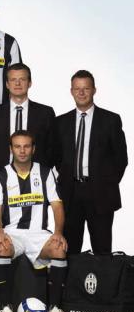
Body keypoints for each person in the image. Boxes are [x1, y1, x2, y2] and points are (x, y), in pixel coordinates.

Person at [0, 131, 68, 312]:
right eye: (17, 146)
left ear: (33, 149)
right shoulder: (0, 175)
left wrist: (58, 233)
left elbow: (57, 206)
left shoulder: (45, 172)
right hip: (12, 233)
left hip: (38, 233)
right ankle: (5, 308)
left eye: (26, 146)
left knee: (59, 249)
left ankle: (55, 309)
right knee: (1, 248)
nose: (22, 151)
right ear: (11, 149)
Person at [54, 70, 128, 254]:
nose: (81, 93)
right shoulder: (60, 122)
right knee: (69, 249)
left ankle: (103, 275)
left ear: (94, 90)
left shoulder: (111, 120)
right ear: (71, 91)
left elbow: (121, 158)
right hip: (70, 193)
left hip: (101, 193)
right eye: (77, 89)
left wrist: (106, 183)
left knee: (102, 249)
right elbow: (56, 157)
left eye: (86, 88)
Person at [0, 63, 56, 170]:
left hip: (37, 175)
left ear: (29, 83)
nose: (17, 83)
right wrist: (0, 171)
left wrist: (41, 172)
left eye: (22, 79)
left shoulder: (45, 113)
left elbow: (52, 148)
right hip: (2, 174)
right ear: (7, 84)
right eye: (13, 80)